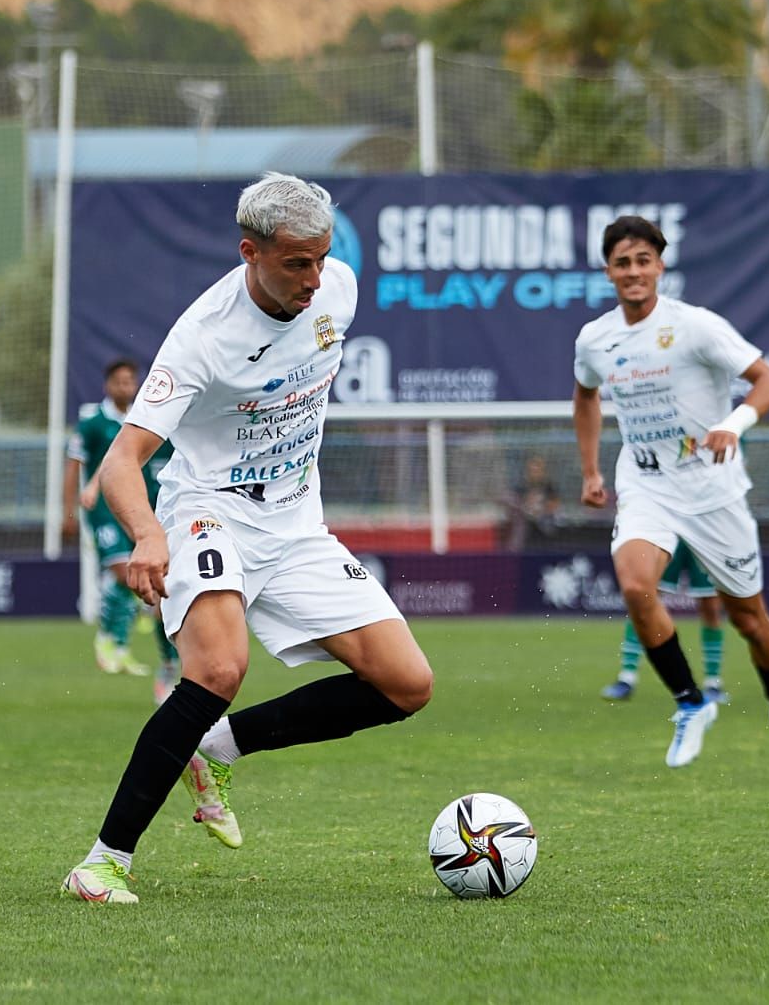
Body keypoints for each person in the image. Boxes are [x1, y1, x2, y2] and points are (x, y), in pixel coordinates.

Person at [60, 173, 434, 904]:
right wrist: (146, 535)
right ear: (250, 252)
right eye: (297, 262)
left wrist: (323, 272)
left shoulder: (339, 290)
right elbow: (120, 463)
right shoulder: (202, 337)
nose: (314, 277)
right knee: (219, 668)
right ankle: (103, 862)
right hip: (209, 508)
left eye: (322, 258)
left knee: (408, 683)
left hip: (297, 524)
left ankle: (218, 747)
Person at [574, 214, 769, 781]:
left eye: (643, 260)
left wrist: (733, 422)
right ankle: (690, 703)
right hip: (646, 482)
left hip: (712, 488)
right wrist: (590, 470)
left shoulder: (697, 326)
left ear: (659, 266)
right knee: (635, 584)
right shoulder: (596, 338)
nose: (633, 272)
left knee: (750, 620)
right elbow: (585, 396)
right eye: (621, 262)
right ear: (607, 270)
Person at [63, 359, 181, 698]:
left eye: (131, 381)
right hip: (103, 511)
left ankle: (165, 664)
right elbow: (75, 466)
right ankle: (110, 637)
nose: (126, 387)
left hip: (141, 512)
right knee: (122, 572)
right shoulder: (92, 424)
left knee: (157, 587)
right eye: (120, 381)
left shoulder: (146, 420)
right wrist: (69, 509)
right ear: (108, 385)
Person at [601, 541, 726, 703]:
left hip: (703, 530)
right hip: (670, 529)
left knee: (711, 608)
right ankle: (627, 678)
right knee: (644, 600)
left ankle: (713, 683)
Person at [500, 454, 560, 552]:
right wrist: (525, 506)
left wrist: (542, 509)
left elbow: (554, 504)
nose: (534, 472)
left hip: (543, 525)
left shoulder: (548, 486)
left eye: (538, 469)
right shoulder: (521, 487)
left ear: (542, 471)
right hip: (526, 526)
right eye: (532, 469)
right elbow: (512, 501)